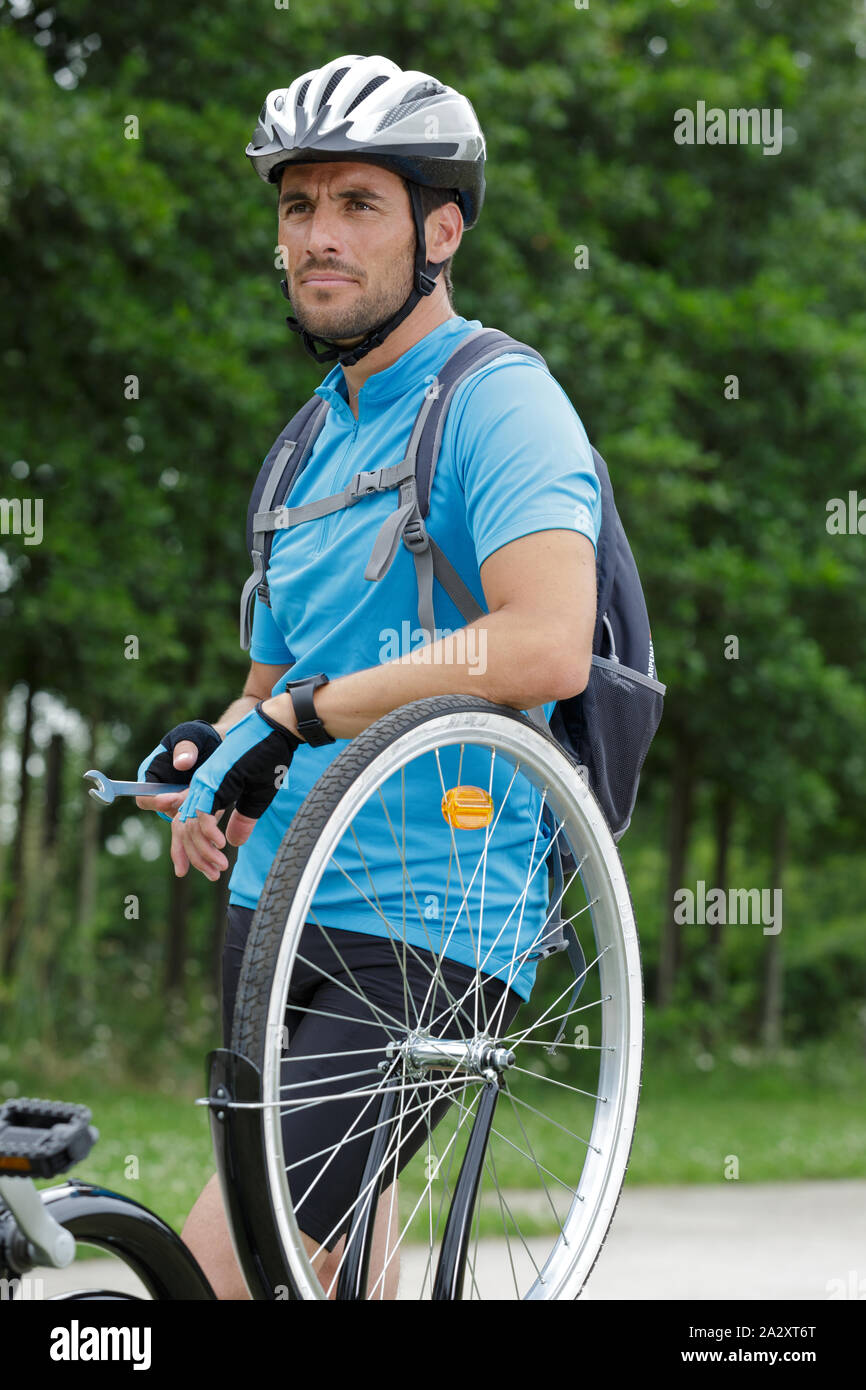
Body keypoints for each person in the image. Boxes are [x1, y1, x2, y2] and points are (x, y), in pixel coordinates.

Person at [136, 53, 601, 1299]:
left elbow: (547, 637)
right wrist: (218, 748)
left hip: (430, 920)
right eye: (297, 207)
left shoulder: (498, 404)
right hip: (281, 900)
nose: (317, 238)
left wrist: (301, 713)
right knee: (338, 1260)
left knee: (214, 1269)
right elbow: (272, 679)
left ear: (438, 228)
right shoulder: (305, 443)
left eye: (356, 204)